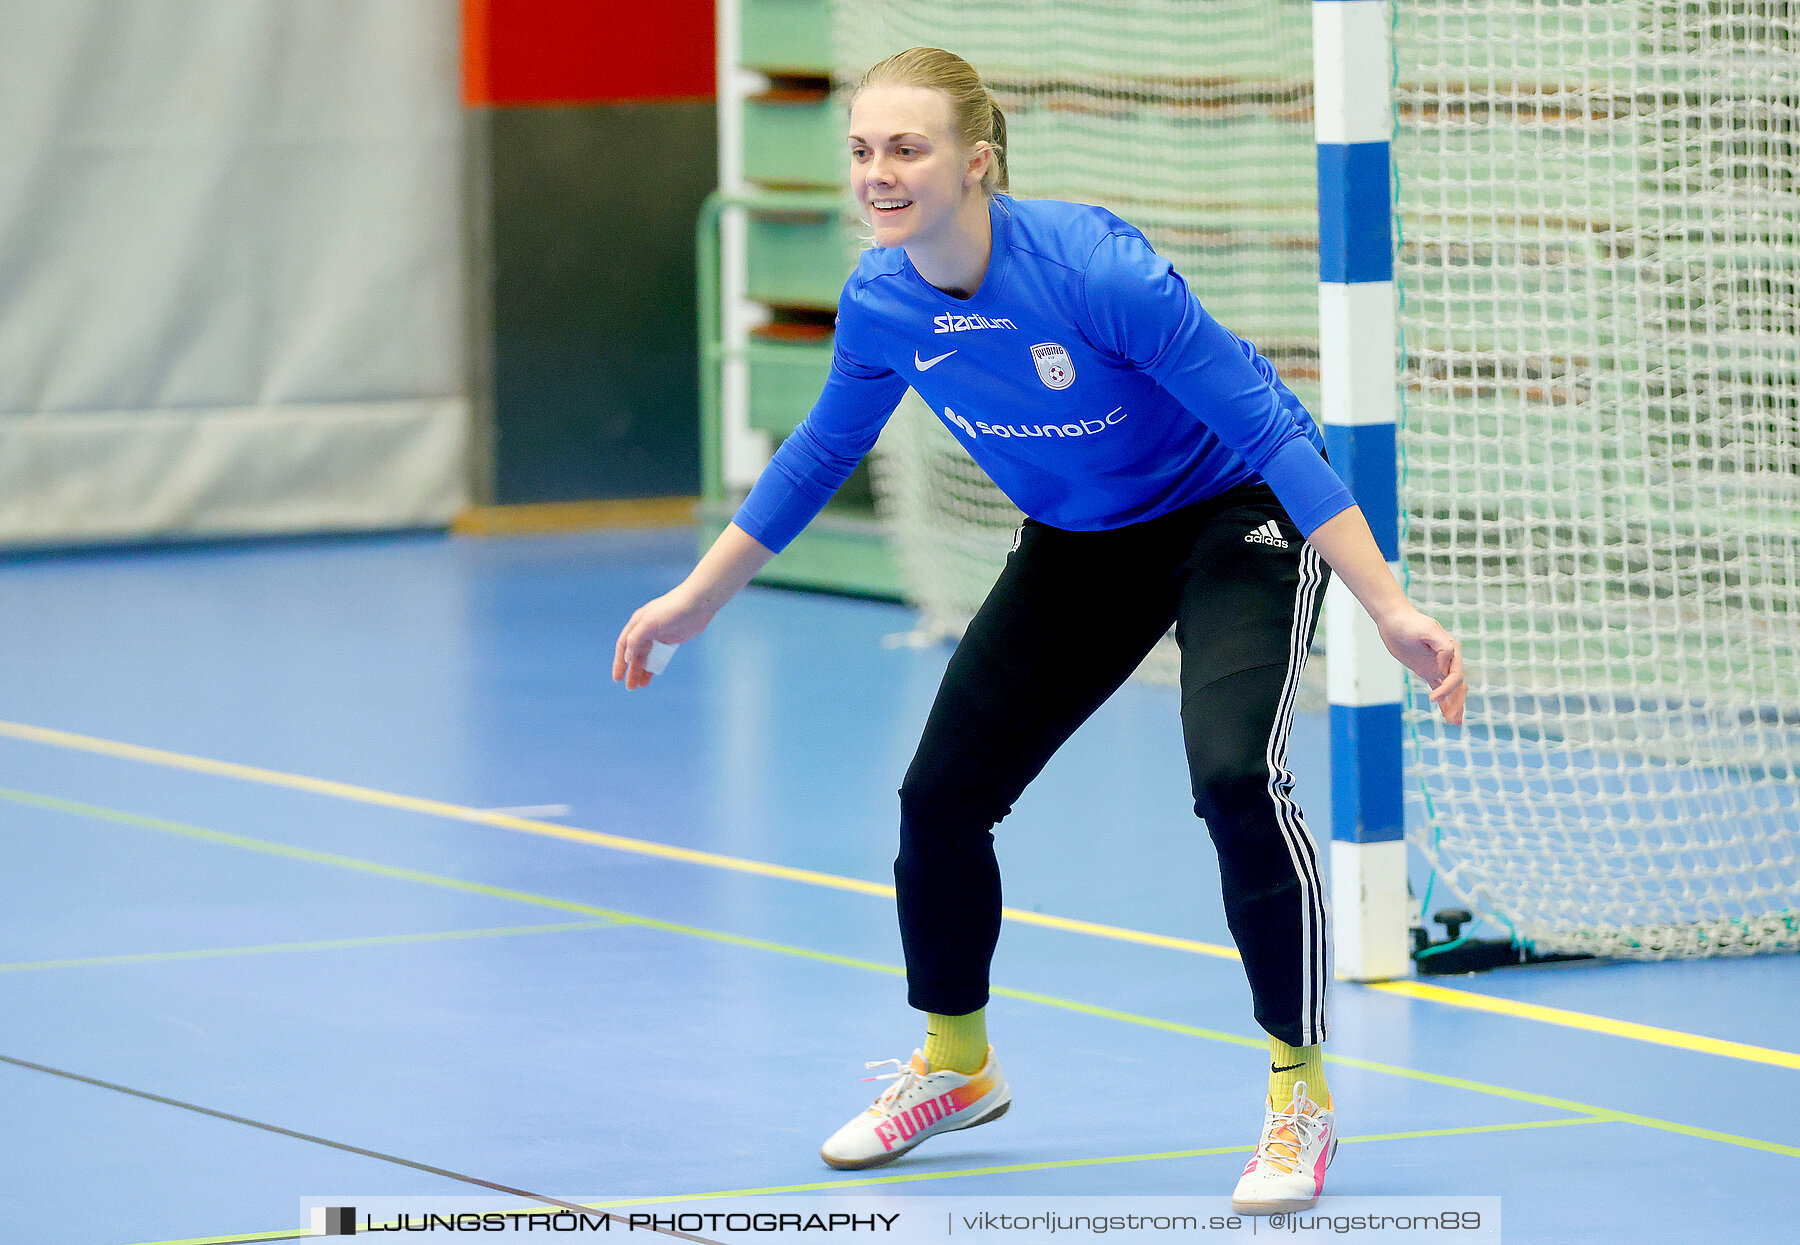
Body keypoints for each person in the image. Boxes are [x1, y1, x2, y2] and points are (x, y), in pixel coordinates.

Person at [615, 46, 1465, 1214]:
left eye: (906, 149)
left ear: (977, 164)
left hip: (1232, 513)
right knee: (942, 797)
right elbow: (819, 451)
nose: (879, 173)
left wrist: (1390, 604)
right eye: (862, 149)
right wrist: (695, 597)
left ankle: (1299, 1093)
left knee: (1233, 774)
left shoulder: (1097, 272)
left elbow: (1272, 431)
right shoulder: (883, 298)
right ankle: (957, 1067)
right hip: (1082, 536)